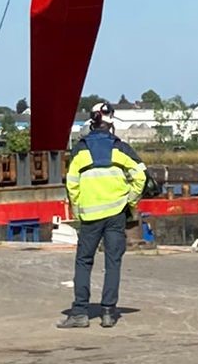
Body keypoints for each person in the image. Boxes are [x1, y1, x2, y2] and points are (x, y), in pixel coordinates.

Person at [58, 102, 146, 330]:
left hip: (90, 216)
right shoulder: (121, 148)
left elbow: (72, 183)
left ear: (91, 122)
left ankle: (79, 312)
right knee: (113, 262)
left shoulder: (80, 149)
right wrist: (130, 200)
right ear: (111, 123)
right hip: (116, 213)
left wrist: (77, 208)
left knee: (84, 261)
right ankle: (108, 313)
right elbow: (140, 176)